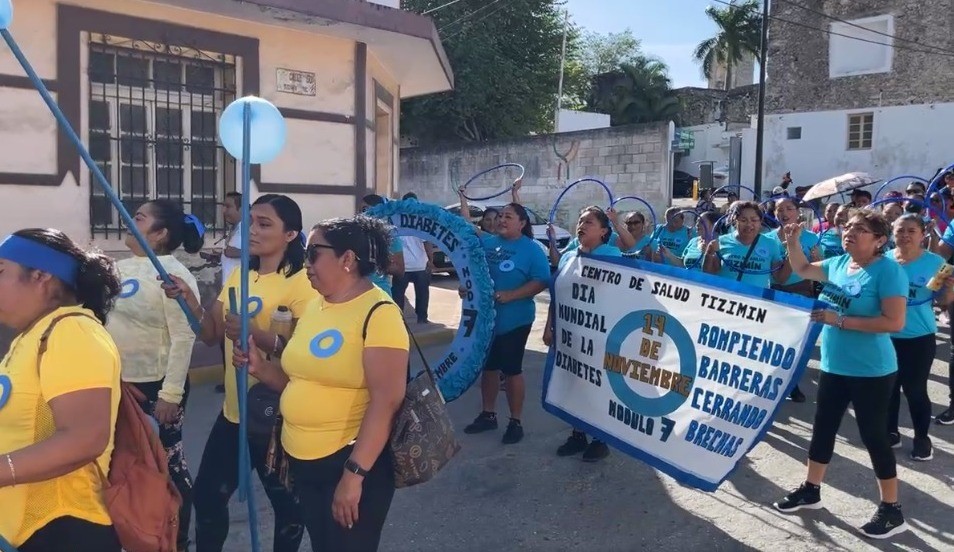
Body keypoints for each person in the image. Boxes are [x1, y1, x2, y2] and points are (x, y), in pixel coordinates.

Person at [235, 216, 409, 552]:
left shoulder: (379, 312)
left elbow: (386, 401)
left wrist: (354, 475)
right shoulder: (316, 305)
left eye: (314, 252)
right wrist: (259, 368)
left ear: (347, 259)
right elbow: (298, 380)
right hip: (303, 462)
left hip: (347, 462)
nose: (306, 262)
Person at [162, 194, 313, 552]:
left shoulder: (303, 284)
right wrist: (189, 299)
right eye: (251, 223)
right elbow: (211, 333)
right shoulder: (240, 277)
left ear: (290, 234)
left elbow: (307, 356)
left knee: (288, 510)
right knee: (208, 500)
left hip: (278, 417)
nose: (253, 231)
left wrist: (256, 335)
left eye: (264, 224)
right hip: (235, 414)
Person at [774, 210, 909, 539]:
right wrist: (792, 242)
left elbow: (894, 322)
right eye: (848, 227)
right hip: (835, 365)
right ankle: (811, 490)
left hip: (872, 371)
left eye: (860, 229)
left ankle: (892, 510)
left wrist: (841, 321)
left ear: (879, 240)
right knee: (823, 429)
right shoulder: (836, 264)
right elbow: (803, 268)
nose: (850, 232)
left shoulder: (888, 271)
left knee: (874, 436)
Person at [0, 228, 123, 550]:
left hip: (61, 528)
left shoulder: (72, 331)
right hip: (21, 528)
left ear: (41, 276)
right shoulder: (30, 337)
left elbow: (84, 439)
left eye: (0, 271)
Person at [106, 200, 203, 551]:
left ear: (159, 234)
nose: (130, 221)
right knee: (122, 463)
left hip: (156, 386)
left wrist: (171, 394)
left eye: (139, 218)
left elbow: (184, 335)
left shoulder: (173, 275)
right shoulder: (119, 267)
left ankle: (176, 537)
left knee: (167, 468)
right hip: (118, 383)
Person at [462, 202, 550, 444]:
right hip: (486, 321)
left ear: (522, 223)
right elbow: (474, 273)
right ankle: (488, 414)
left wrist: (511, 295)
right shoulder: (488, 243)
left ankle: (515, 421)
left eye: (508, 216)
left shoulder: (531, 250)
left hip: (515, 320)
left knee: (511, 370)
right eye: (500, 216)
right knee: (489, 368)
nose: (501, 220)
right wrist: (466, 287)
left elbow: (542, 280)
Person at [543, 207, 621, 462]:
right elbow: (559, 291)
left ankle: (601, 439)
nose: (582, 225)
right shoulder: (568, 256)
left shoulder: (612, 255)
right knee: (573, 384)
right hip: (570, 333)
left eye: (589, 221)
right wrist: (549, 325)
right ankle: (577, 434)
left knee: (596, 386)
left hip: (599, 335)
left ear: (603, 231)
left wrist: (585, 256)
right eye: (580, 220)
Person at [886, 214, 953, 461]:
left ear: (922, 233)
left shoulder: (937, 263)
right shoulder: (884, 260)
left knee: (915, 390)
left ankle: (922, 438)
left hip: (919, 337)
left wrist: (950, 289)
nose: (905, 235)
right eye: (900, 230)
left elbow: (941, 301)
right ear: (892, 233)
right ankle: (890, 432)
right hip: (886, 335)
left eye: (911, 231)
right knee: (888, 388)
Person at [703, 201, 791, 288]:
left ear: (760, 222)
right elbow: (709, 275)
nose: (749, 224)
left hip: (756, 300)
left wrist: (791, 253)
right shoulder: (722, 241)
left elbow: (780, 279)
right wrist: (709, 253)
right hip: (727, 299)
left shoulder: (771, 243)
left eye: (754, 220)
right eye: (743, 220)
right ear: (735, 221)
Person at [391, 193, 433, 324]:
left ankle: (398, 320)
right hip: (420, 264)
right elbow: (427, 242)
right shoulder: (419, 220)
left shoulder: (396, 219)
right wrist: (430, 261)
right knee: (422, 294)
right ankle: (422, 318)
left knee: (398, 294)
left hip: (402, 265)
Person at [361, 195, 405, 297]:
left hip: (380, 295)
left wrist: (375, 262)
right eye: (361, 210)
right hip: (355, 296)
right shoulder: (354, 234)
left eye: (365, 210)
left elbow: (400, 270)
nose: (361, 214)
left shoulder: (390, 236)